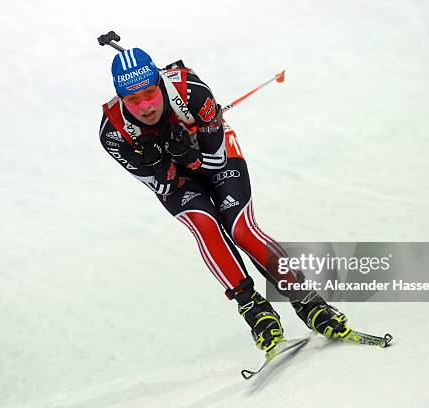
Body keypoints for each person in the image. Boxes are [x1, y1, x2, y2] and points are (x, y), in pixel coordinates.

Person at [99, 48, 352, 352]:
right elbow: (162, 187)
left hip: (214, 157)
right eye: (133, 99)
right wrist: (163, 166)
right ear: (120, 98)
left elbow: (216, 160)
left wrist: (187, 155)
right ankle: (255, 311)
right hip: (178, 179)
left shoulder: (191, 92)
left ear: (158, 83)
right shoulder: (113, 131)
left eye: (150, 93)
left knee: (240, 229)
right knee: (206, 225)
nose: (145, 106)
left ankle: (308, 301)